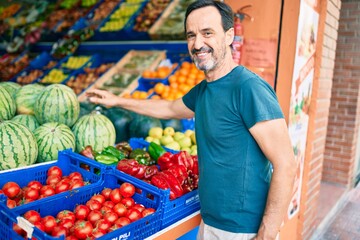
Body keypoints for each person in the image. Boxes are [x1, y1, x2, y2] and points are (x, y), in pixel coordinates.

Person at [86, 1, 297, 239]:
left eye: (207, 33)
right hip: (209, 223)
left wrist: (266, 235)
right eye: (191, 35)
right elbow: (168, 107)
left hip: (242, 231)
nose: (197, 44)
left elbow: (286, 165)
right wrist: (117, 101)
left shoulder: (248, 88)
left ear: (229, 35)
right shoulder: (204, 90)